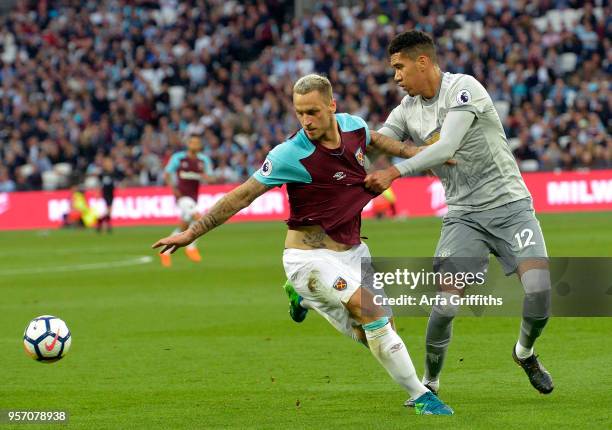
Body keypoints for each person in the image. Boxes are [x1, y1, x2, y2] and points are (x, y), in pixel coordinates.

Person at [153, 74, 454, 415]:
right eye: (300, 113)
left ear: (331, 106)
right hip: (308, 257)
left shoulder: (353, 126)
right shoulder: (290, 154)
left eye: (313, 111)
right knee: (368, 310)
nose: (306, 121)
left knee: (375, 330)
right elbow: (242, 196)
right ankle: (421, 396)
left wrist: (416, 153)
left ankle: (305, 301)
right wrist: (191, 233)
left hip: (354, 251)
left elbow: (380, 141)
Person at [363, 31, 554, 405]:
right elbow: (375, 145)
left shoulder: (464, 89)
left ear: (423, 62)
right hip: (464, 217)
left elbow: (447, 146)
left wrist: (396, 172)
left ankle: (524, 353)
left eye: (400, 67)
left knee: (539, 292)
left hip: (511, 207)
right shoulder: (405, 111)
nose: (396, 77)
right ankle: (429, 382)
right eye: (393, 70)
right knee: (446, 304)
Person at [161, 135, 215, 267]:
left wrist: (205, 177)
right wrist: (173, 189)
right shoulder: (178, 158)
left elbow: (212, 178)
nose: (195, 145)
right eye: (193, 142)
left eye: (197, 143)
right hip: (181, 196)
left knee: (184, 227)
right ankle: (191, 248)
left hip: (194, 197)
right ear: (188, 144)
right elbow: (167, 173)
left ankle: (165, 252)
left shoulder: (203, 160)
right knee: (198, 217)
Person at [97, 157, 122, 233]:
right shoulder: (103, 173)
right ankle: (106, 225)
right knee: (109, 210)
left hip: (111, 193)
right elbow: (100, 184)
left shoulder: (114, 172)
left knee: (109, 211)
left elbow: (117, 182)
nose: (109, 164)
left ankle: (101, 222)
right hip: (105, 193)